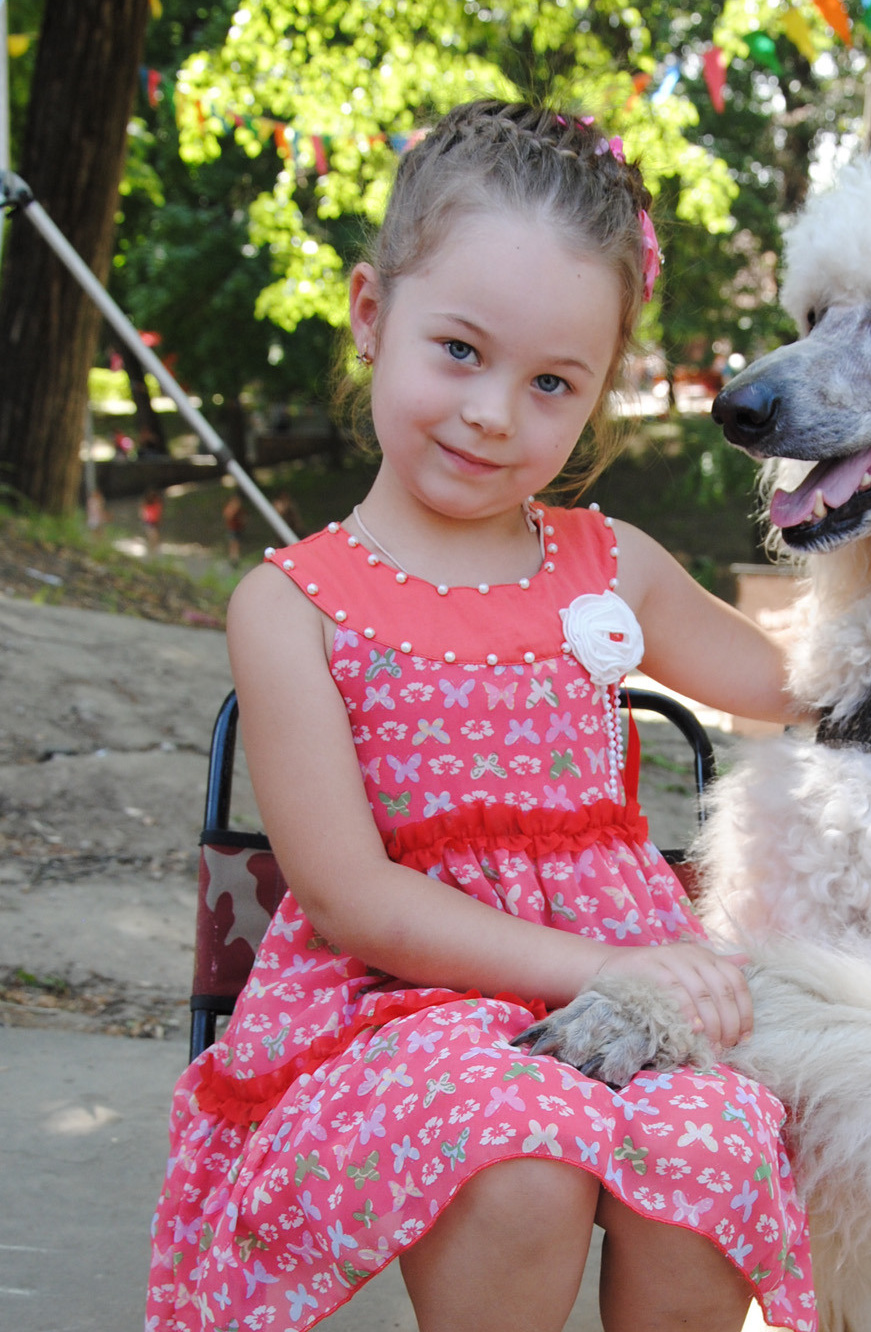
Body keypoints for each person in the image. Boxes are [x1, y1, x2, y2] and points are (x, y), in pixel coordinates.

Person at [146, 101, 817, 1332]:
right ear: (370, 314)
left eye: (551, 382)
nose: (495, 412)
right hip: (399, 1000)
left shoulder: (612, 563)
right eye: (459, 349)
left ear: (598, 392)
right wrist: (610, 968)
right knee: (523, 1156)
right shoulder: (293, 607)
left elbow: (805, 683)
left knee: (716, 1153)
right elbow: (353, 897)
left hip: (632, 995)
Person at [222, 493, 246, 564]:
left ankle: (235, 557)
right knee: (233, 542)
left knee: (236, 542)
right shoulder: (231, 507)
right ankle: (233, 557)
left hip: (237, 528)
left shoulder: (239, 508)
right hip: (232, 528)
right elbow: (227, 515)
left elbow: (243, 518)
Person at [139, 489, 163, 556]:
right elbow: (142, 513)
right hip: (149, 522)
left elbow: (159, 512)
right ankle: (152, 551)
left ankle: (153, 551)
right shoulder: (146, 504)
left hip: (153, 521)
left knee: (154, 536)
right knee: (153, 536)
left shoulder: (156, 502)